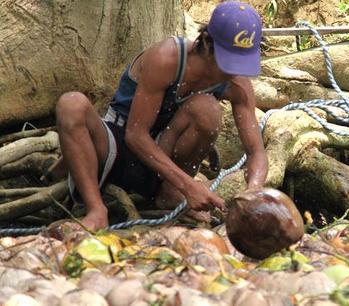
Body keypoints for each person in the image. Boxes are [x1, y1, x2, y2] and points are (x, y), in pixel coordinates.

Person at [54, 1, 268, 231]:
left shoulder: (238, 85)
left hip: (164, 164)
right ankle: (96, 209)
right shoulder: (167, 58)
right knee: (71, 104)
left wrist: (253, 192)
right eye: (228, 62)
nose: (233, 72)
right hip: (119, 149)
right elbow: (135, 135)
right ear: (206, 43)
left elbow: (256, 152)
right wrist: (188, 186)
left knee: (207, 109)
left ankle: (169, 194)